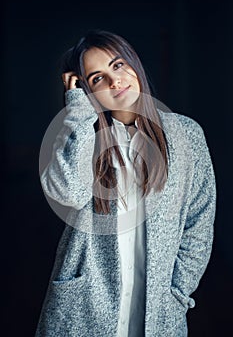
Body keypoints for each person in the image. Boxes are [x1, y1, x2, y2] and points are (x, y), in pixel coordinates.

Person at [35, 29, 216, 337]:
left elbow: (199, 220)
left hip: (160, 307)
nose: (114, 82)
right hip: (85, 306)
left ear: (134, 64)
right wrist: (78, 113)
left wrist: (178, 291)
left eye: (117, 65)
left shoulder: (186, 134)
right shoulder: (81, 136)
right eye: (97, 79)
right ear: (85, 91)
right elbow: (66, 192)